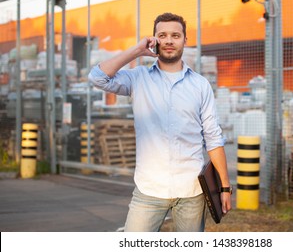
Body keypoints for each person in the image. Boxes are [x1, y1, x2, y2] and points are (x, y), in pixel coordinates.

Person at [88, 12, 232, 232]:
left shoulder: (201, 85)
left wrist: (225, 187)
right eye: (162, 35)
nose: (169, 40)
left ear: (185, 40)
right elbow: (97, 77)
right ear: (154, 40)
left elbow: (213, 138)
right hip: (149, 189)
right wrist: (137, 50)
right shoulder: (137, 78)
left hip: (191, 191)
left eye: (175, 35)